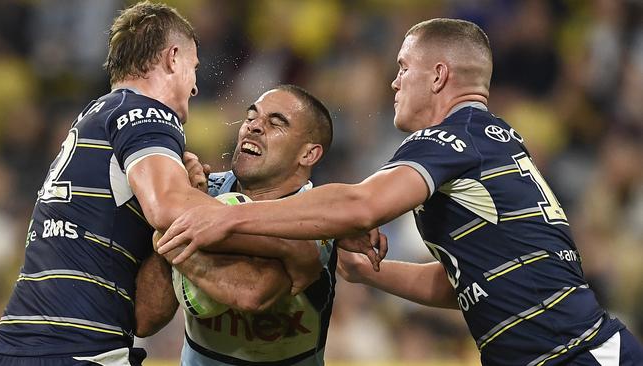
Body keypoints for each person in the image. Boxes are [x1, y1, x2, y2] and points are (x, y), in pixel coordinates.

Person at [158, 18, 643, 365]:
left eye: (404, 67)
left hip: (574, 354)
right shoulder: (492, 139)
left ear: (437, 76)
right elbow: (466, 283)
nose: (394, 81)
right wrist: (372, 274)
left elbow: (360, 204)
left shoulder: (451, 138)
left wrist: (225, 218)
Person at [0, 2, 381, 365]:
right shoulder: (147, 114)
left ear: (309, 154)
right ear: (172, 59)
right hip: (76, 348)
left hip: (35, 340)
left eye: (276, 122)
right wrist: (289, 242)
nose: (195, 87)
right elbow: (168, 216)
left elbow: (249, 286)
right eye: (194, 68)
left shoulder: (104, 111)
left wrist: (182, 231)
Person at [138, 85, 354, 365]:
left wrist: (170, 237)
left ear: (308, 154)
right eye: (251, 118)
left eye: (276, 123)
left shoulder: (320, 215)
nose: (254, 127)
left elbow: (253, 293)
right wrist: (179, 217)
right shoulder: (201, 193)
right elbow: (145, 319)